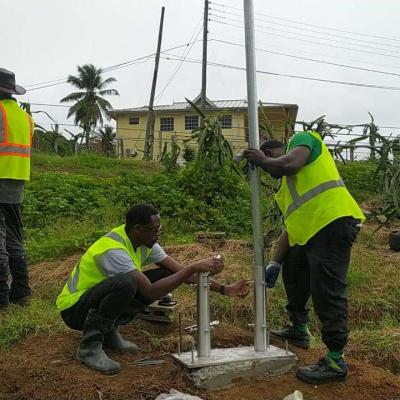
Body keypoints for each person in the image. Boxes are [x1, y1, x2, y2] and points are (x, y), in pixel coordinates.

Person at [57, 203, 250, 374]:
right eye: (154, 230)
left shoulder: (146, 242)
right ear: (138, 229)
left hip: (95, 301)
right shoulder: (113, 250)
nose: (157, 234)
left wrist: (225, 289)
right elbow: (149, 291)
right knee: (126, 283)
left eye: (159, 229)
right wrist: (193, 266)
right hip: (74, 310)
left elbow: (182, 273)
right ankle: (89, 347)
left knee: (167, 275)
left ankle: (108, 332)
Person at [244, 131, 365, 384]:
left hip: (333, 222)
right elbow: (292, 226)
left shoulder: (304, 139)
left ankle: (335, 359)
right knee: (294, 271)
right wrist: (275, 263)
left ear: (273, 152)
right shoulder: (288, 189)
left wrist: (262, 161)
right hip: (311, 233)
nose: (270, 169)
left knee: (326, 289)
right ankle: (299, 329)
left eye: (268, 160)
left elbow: (289, 163)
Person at [0, 68, 33, 310]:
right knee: (13, 234)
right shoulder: (25, 117)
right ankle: (21, 292)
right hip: (17, 180)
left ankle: (1, 300)